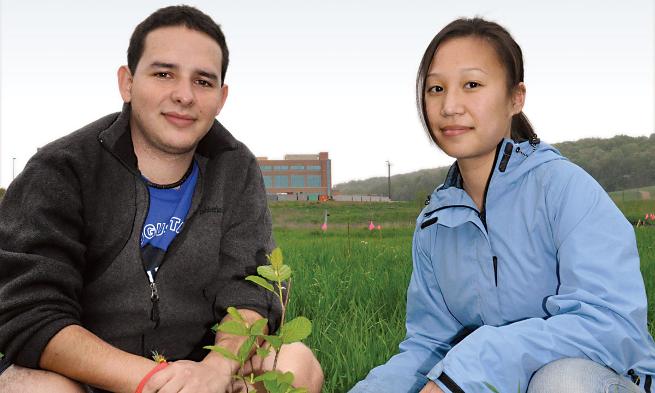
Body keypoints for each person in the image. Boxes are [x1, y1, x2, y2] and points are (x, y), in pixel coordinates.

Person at [0, 5, 323, 393]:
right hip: (88, 376)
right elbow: (31, 313)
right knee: (30, 388)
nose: (184, 95)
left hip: (201, 369)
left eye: (203, 82)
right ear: (128, 82)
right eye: (164, 73)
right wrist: (158, 382)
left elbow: (250, 287)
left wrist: (217, 370)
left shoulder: (236, 169)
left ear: (221, 98)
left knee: (296, 362)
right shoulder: (62, 168)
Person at [349, 17, 655, 393]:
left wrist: (473, 364)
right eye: (436, 88)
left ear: (516, 98)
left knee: (560, 382)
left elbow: (611, 326)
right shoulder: (434, 223)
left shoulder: (566, 190)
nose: (449, 106)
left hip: (604, 379)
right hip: (498, 383)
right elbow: (429, 347)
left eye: (472, 85)